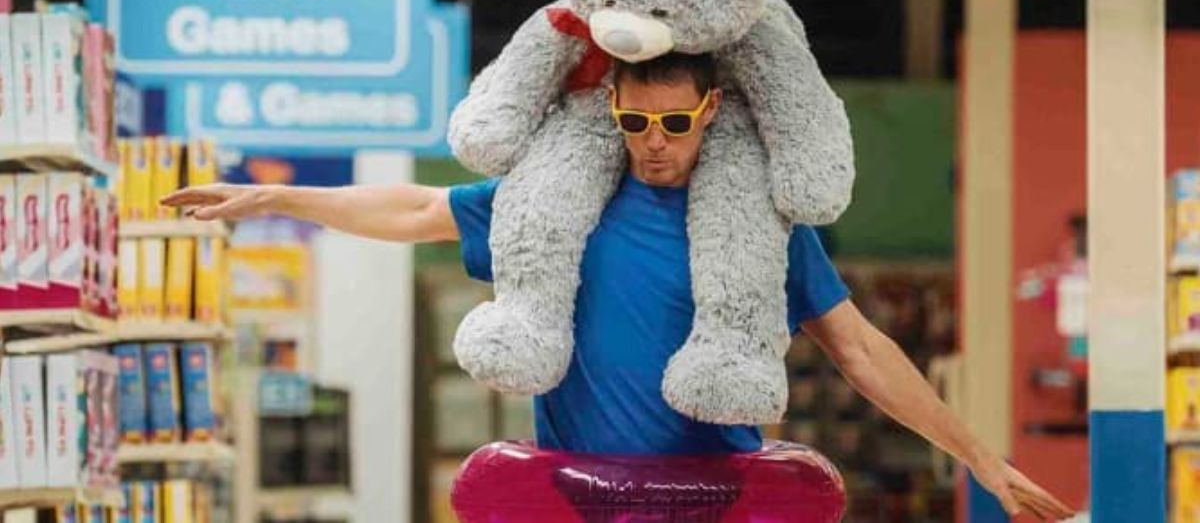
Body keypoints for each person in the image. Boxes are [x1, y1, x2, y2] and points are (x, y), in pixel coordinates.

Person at [163, 52, 1074, 521]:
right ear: (615, 111)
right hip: (574, 498)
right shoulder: (555, 205)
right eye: (637, 120)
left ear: (711, 112)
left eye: (676, 121)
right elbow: (412, 209)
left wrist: (980, 458)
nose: (655, 140)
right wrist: (282, 195)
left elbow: (863, 350)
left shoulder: (759, 228)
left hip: (715, 500)